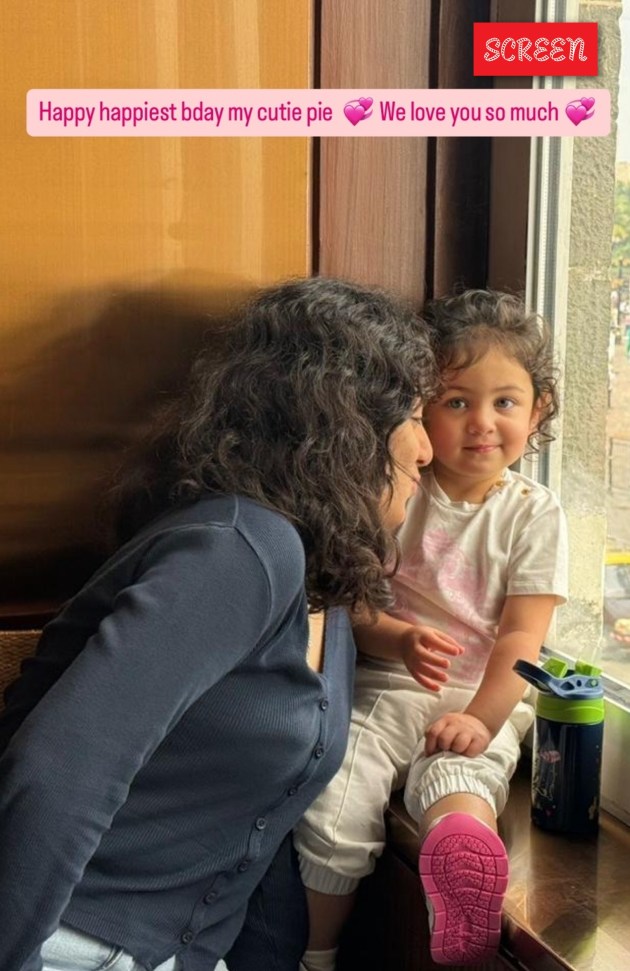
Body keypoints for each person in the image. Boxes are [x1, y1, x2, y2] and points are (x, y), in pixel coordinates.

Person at [0, 277, 439, 971]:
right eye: (412, 416)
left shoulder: (324, 585)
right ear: (349, 428)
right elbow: (54, 776)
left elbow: (256, 834)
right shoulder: (241, 550)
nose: (426, 448)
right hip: (62, 941)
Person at [295, 289, 569, 969]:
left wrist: (480, 718)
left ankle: (464, 869)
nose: (482, 423)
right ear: (420, 410)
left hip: (482, 695)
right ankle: (316, 955)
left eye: (505, 402)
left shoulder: (535, 514)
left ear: (537, 411)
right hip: (388, 685)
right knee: (338, 804)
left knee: (462, 775)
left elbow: (522, 639)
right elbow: (350, 603)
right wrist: (398, 636)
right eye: (457, 402)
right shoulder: (396, 491)